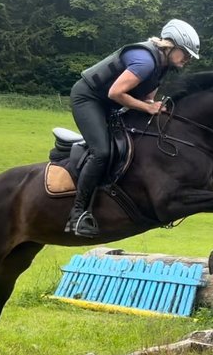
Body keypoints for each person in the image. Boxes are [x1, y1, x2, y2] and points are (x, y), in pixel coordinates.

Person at [64, 19, 201, 236]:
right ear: (171, 45)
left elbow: (147, 98)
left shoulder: (162, 67)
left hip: (109, 104)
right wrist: (148, 108)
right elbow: (115, 92)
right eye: (185, 53)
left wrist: (156, 108)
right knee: (102, 152)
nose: (187, 59)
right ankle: (77, 214)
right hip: (88, 99)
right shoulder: (145, 61)